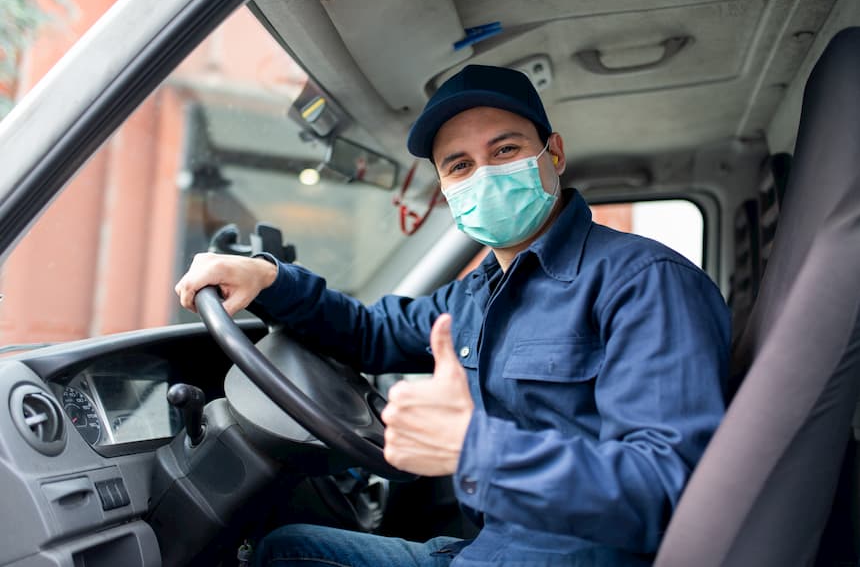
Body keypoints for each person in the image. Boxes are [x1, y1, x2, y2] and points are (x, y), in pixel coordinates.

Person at [175, 64, 730, 566]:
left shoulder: (644, 282)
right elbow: (370, 333)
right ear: (445, 189)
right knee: (285, 551)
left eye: (506, 150)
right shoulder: (476, 294)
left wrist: (474, 450)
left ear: (553, 154)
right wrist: (272, 279)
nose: (483, 175)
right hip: (489, 549)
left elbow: (667, 488)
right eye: (459, 165)